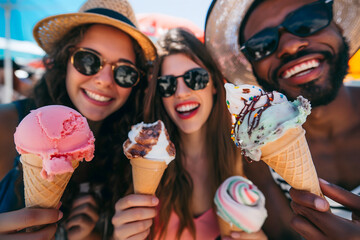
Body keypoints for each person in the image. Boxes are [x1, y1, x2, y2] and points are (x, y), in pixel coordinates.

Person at [0, 0, 156, 239]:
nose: (104, 79)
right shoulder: (6, 122)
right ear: (65, 60)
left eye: (124, 72)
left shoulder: (132, 149)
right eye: (89, 60)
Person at [205, 0, 360, 239]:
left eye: (308, 21)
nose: (290, 45)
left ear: (338, 28)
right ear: (253, 67)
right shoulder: (257, 152)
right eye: (261, 45)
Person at [111, 28, 267, 240]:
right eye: (167, 84)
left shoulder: (252, 157)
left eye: (195, 78)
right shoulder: (135, 160)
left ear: (214, 83)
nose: (181, 93)